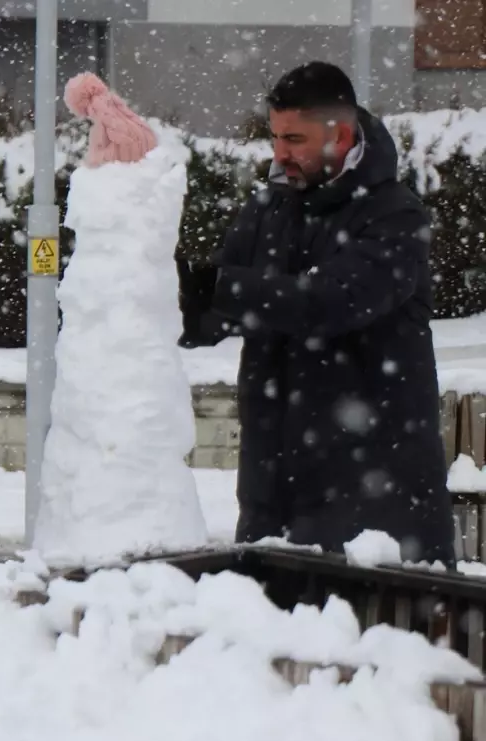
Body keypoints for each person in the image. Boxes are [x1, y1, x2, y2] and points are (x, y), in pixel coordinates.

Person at [177, 62, 455, 565]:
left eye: (294, 138)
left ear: (342, 135)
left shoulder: (394, 216)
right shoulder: (268, 208)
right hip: (271, 489)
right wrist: (161, 294)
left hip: (374, 502)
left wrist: (218, 287)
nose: (280, 152)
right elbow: (220, 311)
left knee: (361, 641)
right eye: (275, 136)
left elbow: (328, 303)